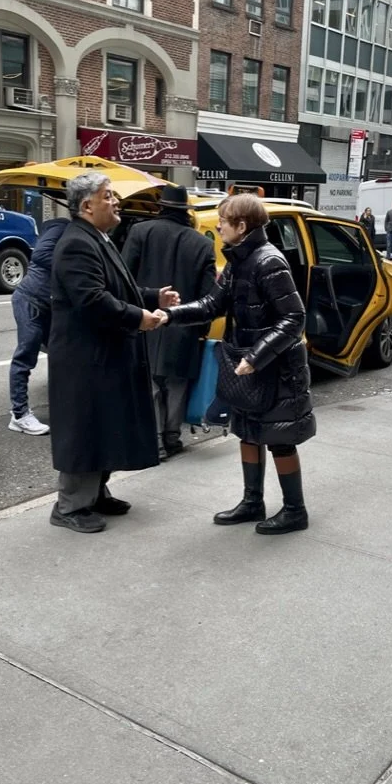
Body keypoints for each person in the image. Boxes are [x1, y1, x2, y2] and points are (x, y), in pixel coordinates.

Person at [161, 193, 315, 535]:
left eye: (223, 221)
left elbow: (294, 318)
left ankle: (295, 511)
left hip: (276, 369)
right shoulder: (238, 261)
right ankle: (252, 502)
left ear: (241, 226)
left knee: (279, 439)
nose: (218, 225)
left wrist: (255, 356)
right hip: (247, 365)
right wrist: (169, 315)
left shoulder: (268, 261)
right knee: (247, 433)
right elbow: (210, 305)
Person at [47, 171, 179, 534]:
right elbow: (92, 300)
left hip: (102, 355)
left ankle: (95, 494)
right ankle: (70, 506)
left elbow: (118, 285)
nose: (116, 201)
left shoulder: (96, 237)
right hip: (84, 359)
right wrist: (140, 318)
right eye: (108, 196)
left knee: (104, 425)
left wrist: (153, 297)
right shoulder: (77, 242)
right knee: (84, 428)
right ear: (87, 205)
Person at [122, 184, 217, 461]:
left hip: (145, 319)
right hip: (183, 324)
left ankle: (155, 442)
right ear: (185, 212)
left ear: (161, 208)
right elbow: (207, 295)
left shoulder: (140, 232)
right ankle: (172, 437)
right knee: (176, 383)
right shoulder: (203, 244)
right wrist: (201, 329)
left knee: (149, 383)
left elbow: (125, 279)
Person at [8, 216, 69, 435]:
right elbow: (40, 255)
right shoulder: (60, 226)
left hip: (52, 305)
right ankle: (19, 414)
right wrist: (73, 267)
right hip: (30, 299)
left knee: (62, 354)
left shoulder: (89, 235)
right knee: (25, 355)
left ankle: (63, 406)